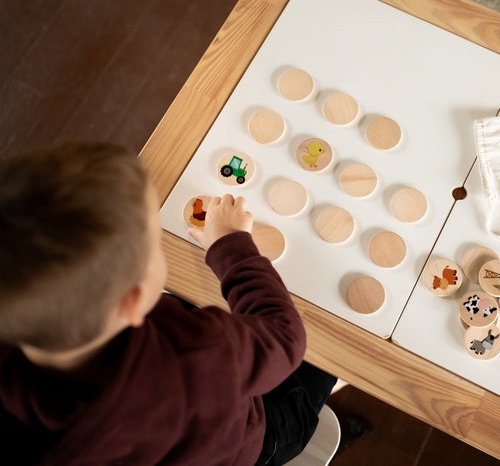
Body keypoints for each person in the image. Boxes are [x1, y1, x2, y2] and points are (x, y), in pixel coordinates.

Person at [0, 142, 337, 465]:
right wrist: (231, 246)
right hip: (252, 439)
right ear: (133, 301)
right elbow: (285, 335)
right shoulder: (193, 355)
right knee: (323, 354)